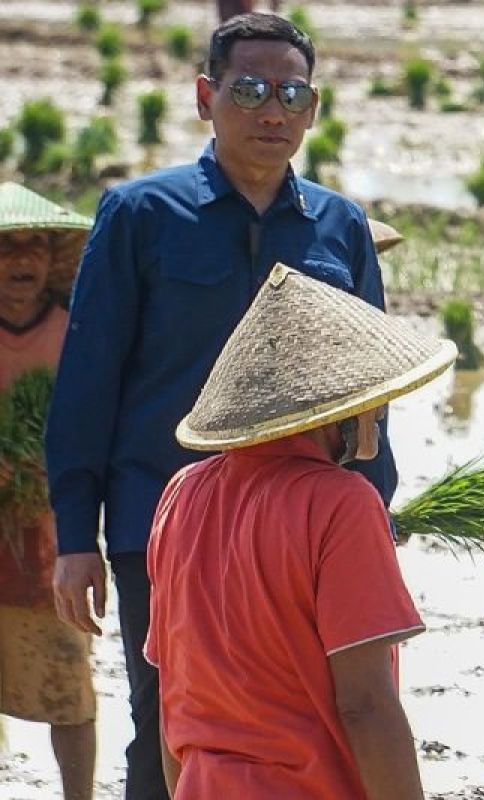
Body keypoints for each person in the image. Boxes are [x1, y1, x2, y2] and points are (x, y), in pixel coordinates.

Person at [45, 14, 398, 800]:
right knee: (172, 722)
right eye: (249, 89)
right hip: (164, 525)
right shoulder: (140, 215)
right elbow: (87, 382)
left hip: (307, 528)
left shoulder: (338, 226)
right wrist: (76, 537)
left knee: (313, 718)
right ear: (206, 97)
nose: (272, 110)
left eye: (291, 92)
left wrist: (377, 509)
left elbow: (370, 380)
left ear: (313, 108)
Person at [146, 263, 455, 798]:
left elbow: (173, 690)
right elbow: (366, 705)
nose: (378, 408)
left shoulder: (181, 493)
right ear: (334, 407)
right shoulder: (342, 503)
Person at [0, 183, 96, 800]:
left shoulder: (73, 335)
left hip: (50, 536)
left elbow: (91, 429)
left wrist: (44, 466)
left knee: (68, 681)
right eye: (6, 249)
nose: (21, 262)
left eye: (34, 247)